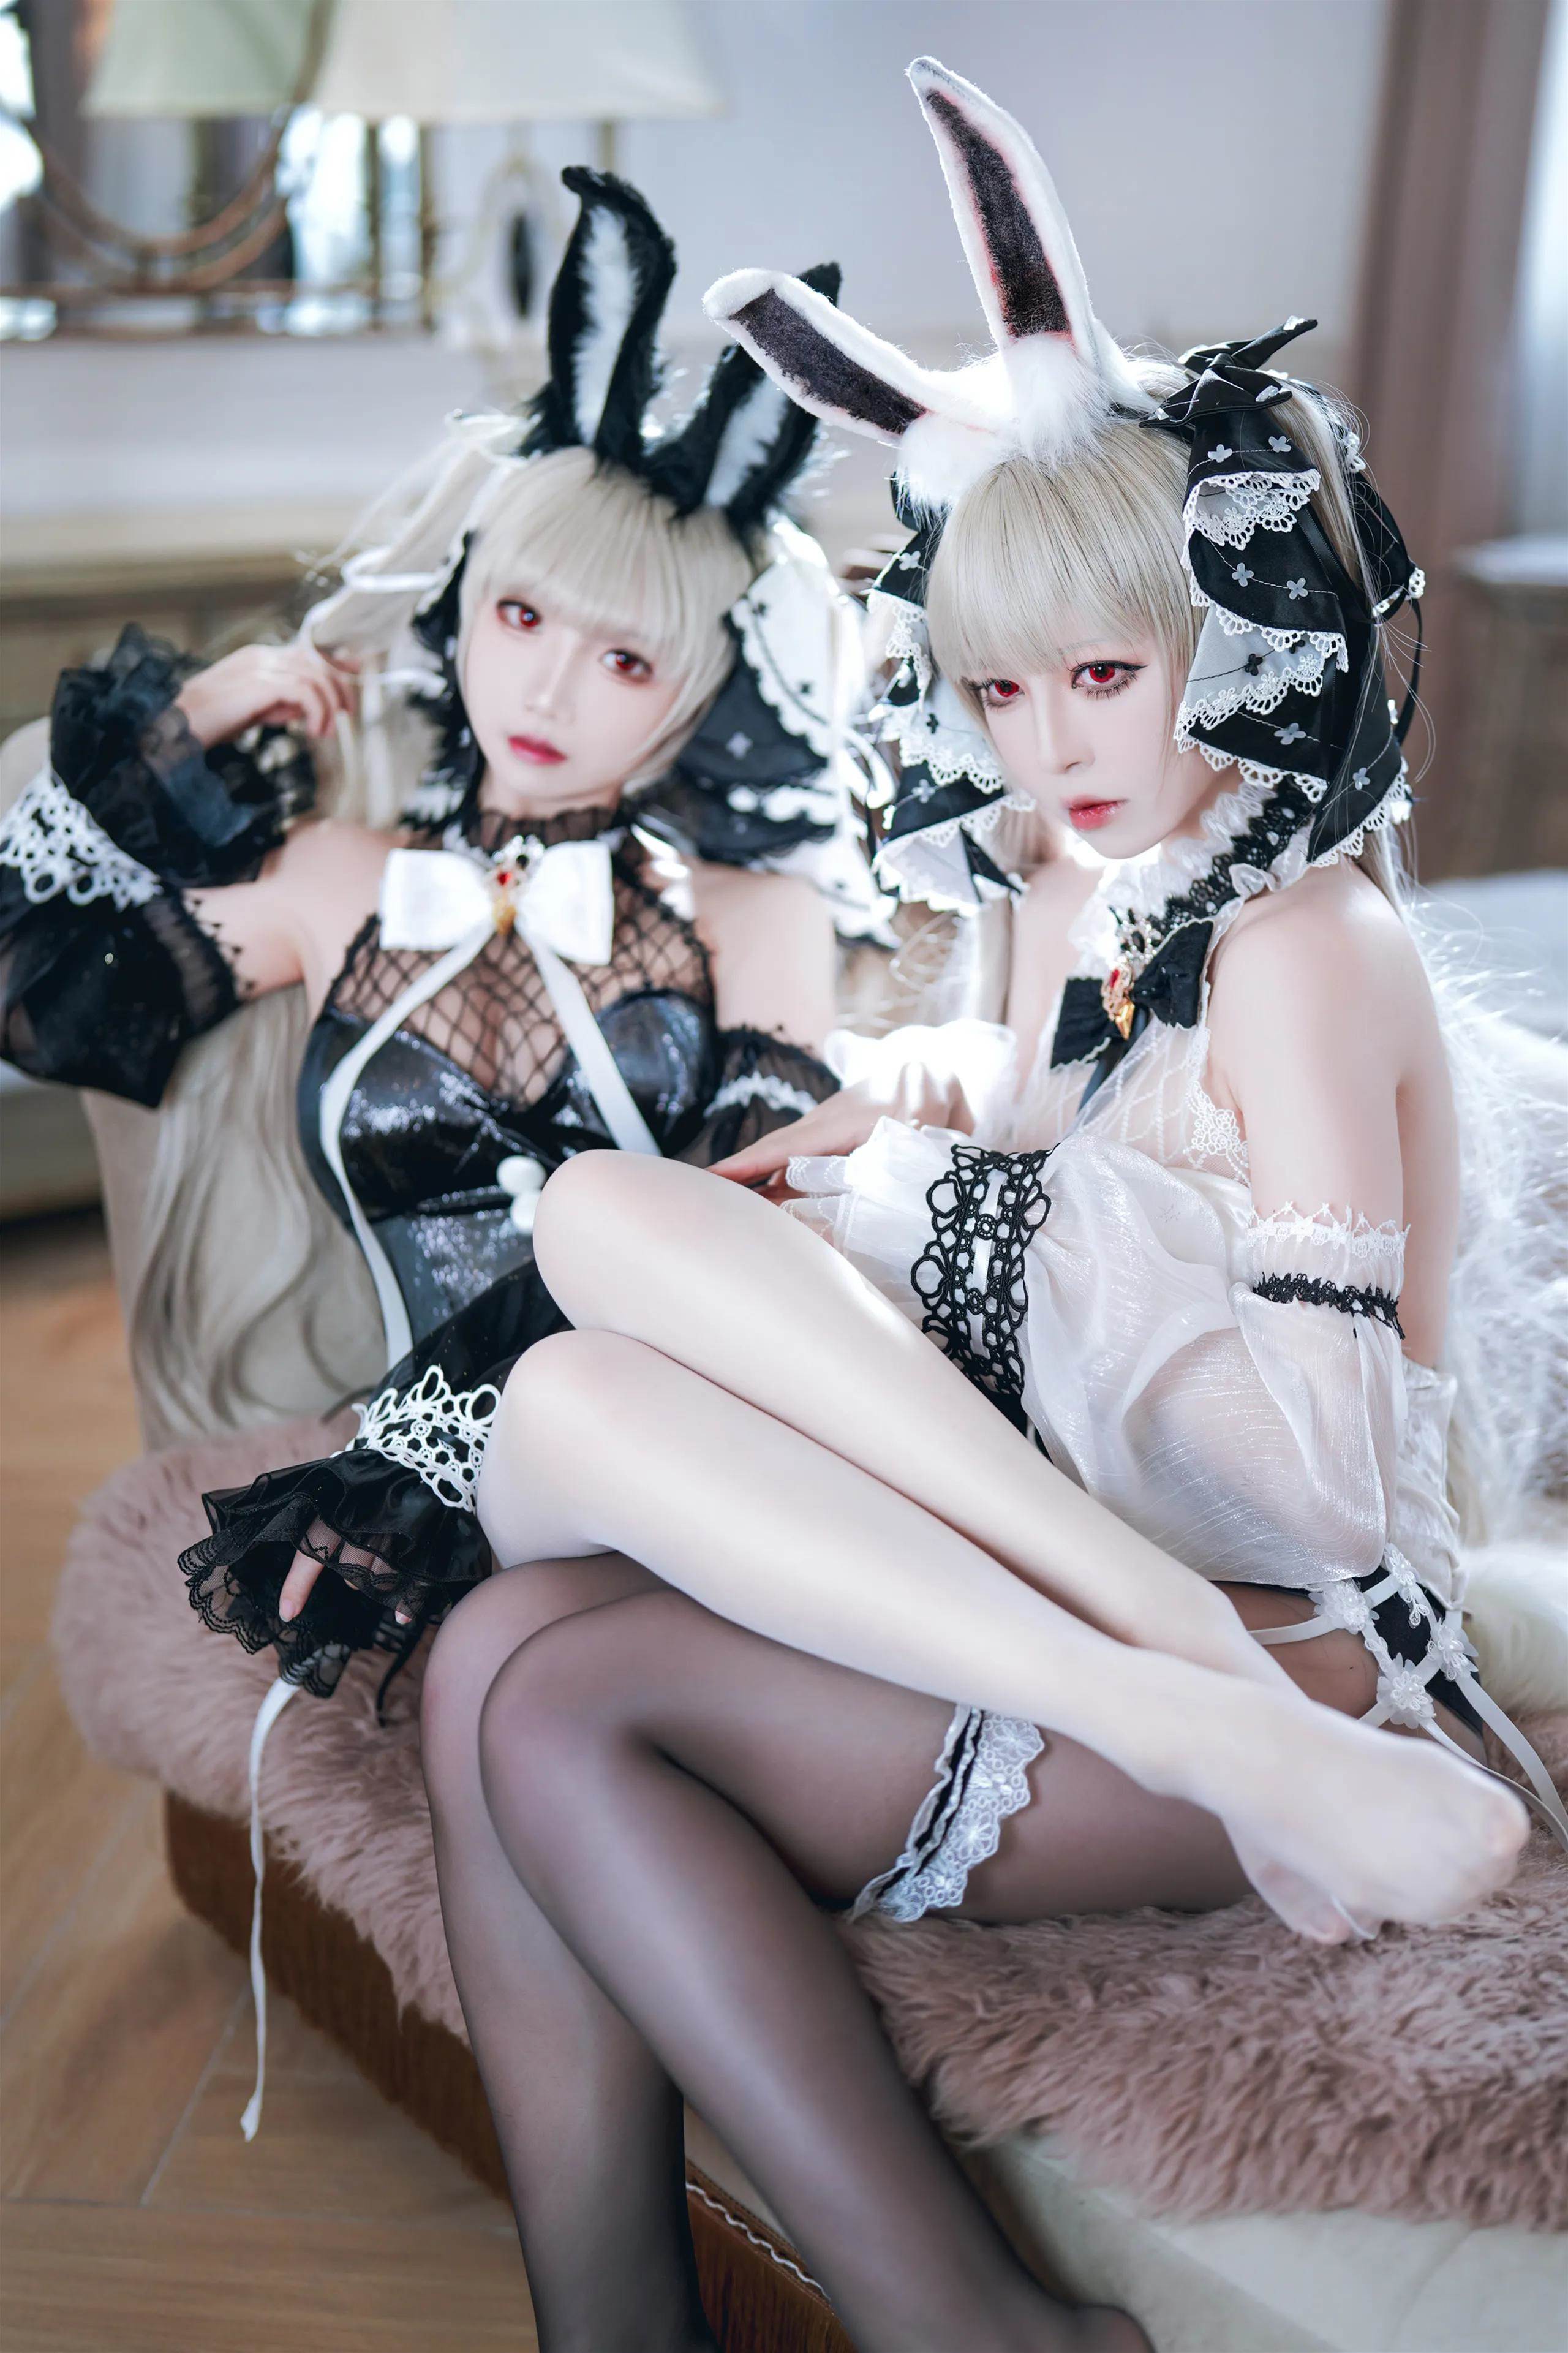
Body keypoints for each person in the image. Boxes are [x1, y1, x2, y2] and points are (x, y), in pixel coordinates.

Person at [413, 63, 1561, 2353]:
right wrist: (894, 1128)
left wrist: (951, 1216)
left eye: (1108, 676)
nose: (1054, 748)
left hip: (1322, 1647)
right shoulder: (1091, 887)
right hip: (1130, 1598)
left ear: (1244, 634)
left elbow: (1330, 1487)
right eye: (1005, 691)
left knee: (524, 1693)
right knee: (591, 1264)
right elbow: (1042, 1134)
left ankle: (973, 2320)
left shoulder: (1303, 950)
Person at [0, 167, 872, 1704]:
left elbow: (754, 1223)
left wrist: (420, 1450)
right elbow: (43, 999)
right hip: (437, 1488)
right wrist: (190, 719)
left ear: (694, 689)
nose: (546, 691)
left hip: (679, 1442)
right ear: (463, 610)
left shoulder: (755, 913)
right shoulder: (338, 880)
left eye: (623, 657)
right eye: (521, 618)